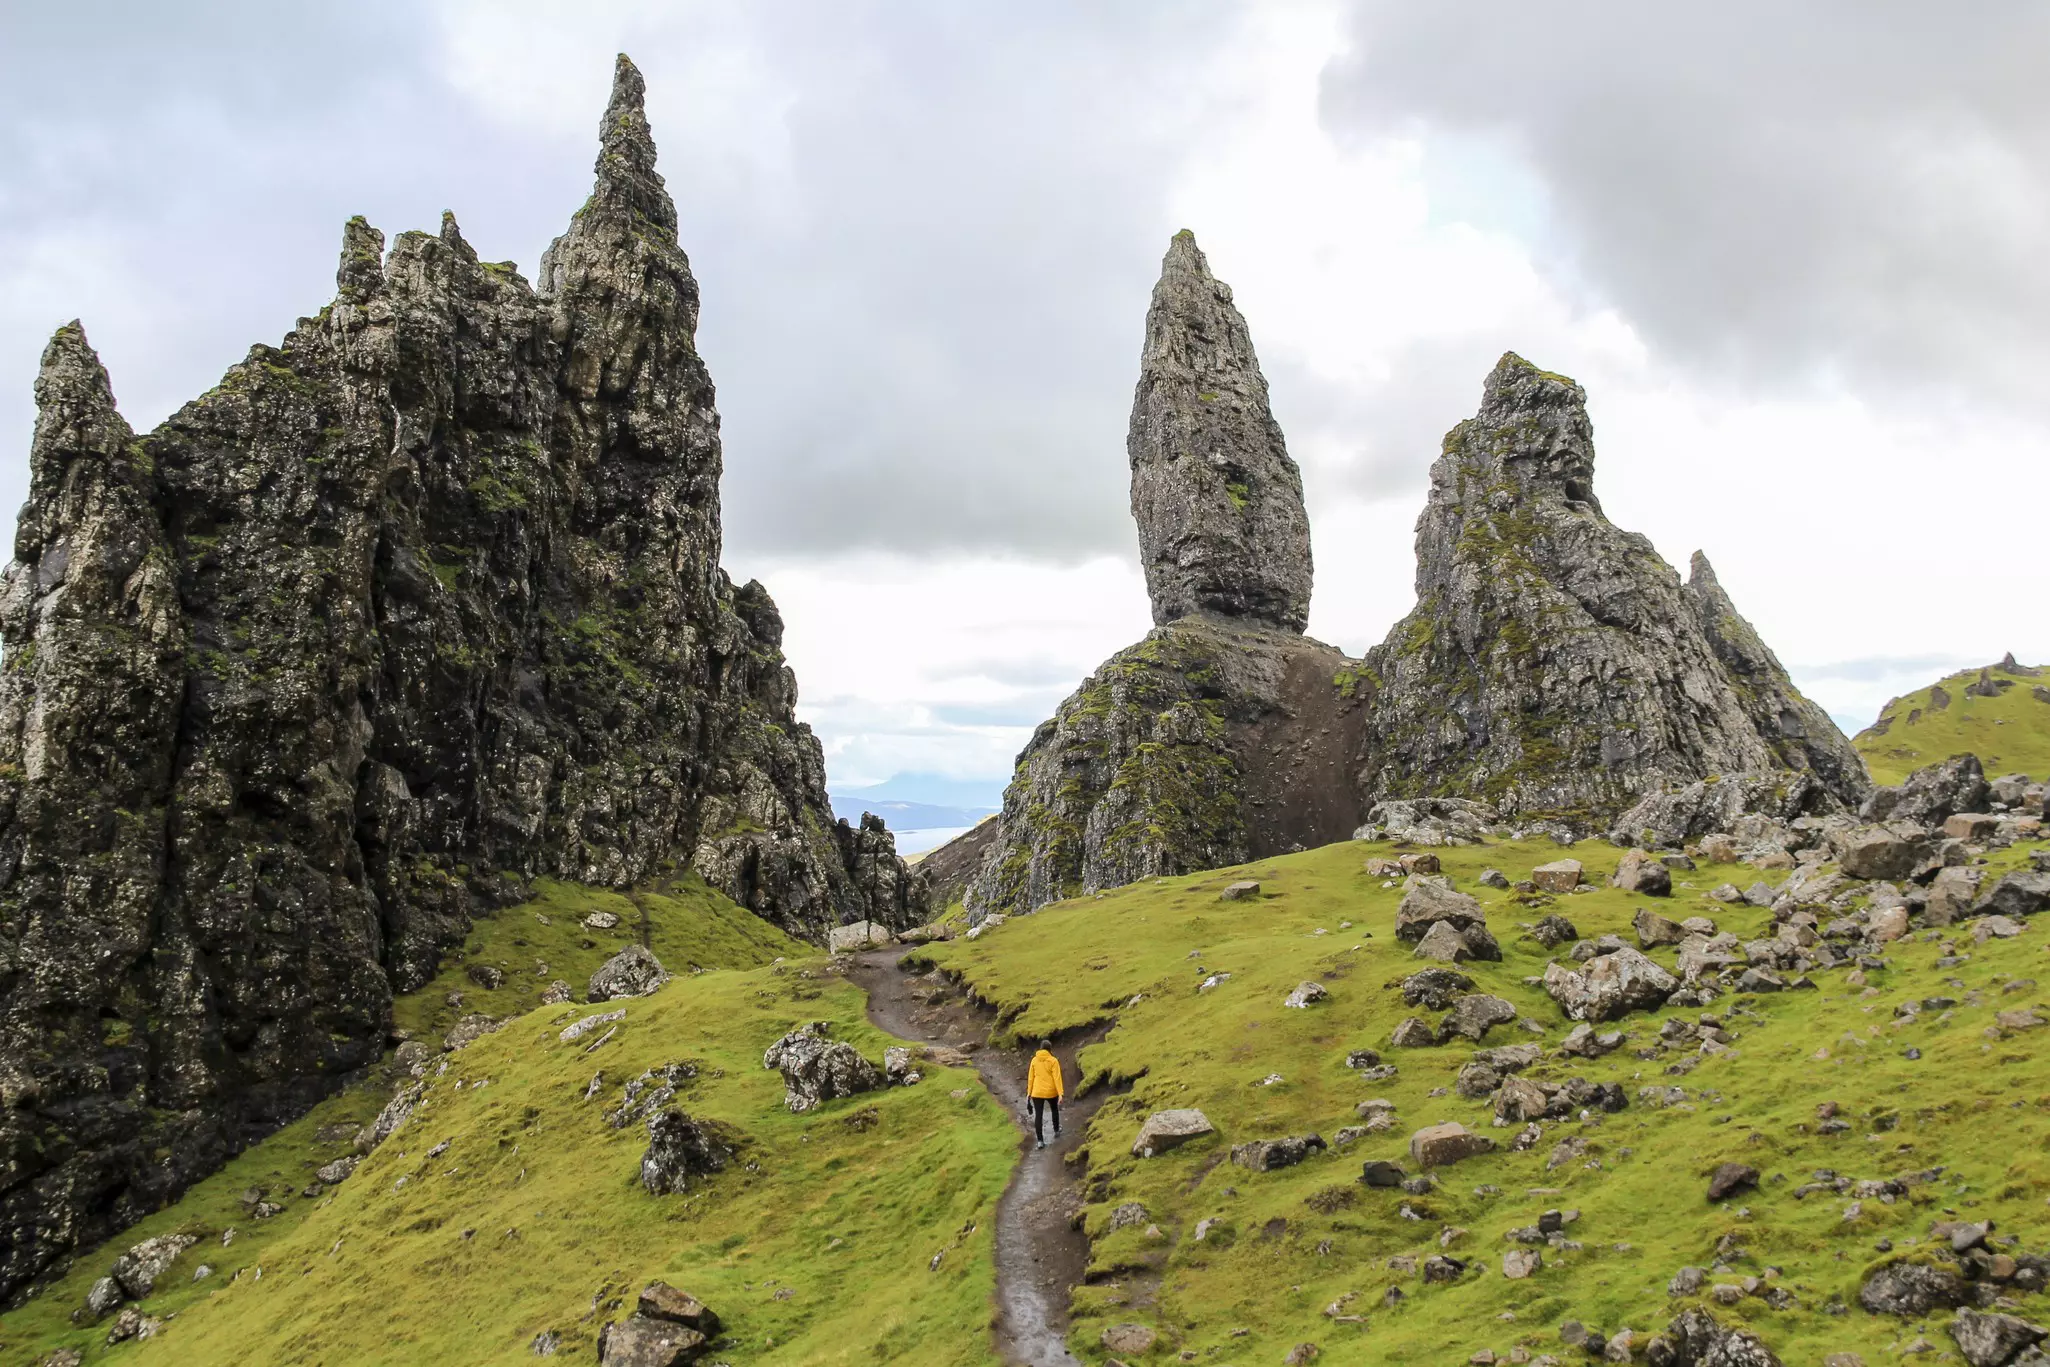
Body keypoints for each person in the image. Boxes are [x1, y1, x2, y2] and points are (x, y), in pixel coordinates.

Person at [1026, 1038, 1064, 1149]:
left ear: (1041, 1048)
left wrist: (1029, 1093)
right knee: (1054, 1109)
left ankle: (1040, 1141)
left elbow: (1030, 1078)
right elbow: (1057, 1078)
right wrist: (1060, 1093)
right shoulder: (1053, 1061)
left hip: (1036, 1092)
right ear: (1049, 1049)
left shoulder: (1034, 1060)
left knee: (1038, 1115)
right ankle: (1056, 1130)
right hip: (1051, 1091)